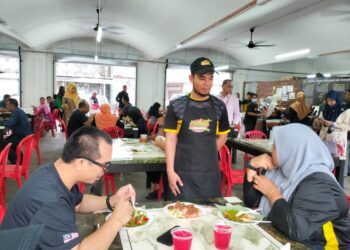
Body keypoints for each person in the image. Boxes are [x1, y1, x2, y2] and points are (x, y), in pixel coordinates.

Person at [1, 126, 135, 249]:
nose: (105, 171)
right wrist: (117, 219)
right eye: (105, 166)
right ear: (81, 163)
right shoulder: (50, 202)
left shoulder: (55, 172)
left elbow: (79, 203)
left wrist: (113, 200)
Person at [243, 123, 350, 249]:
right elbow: (251, 201)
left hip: (321, 245)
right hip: (284, 239)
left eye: (276, 146)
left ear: (292, 149)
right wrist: (252, 166)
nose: (271, 149)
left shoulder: (320, 184)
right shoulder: (284, 169)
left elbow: (295, 229)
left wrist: (272, 193)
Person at [164, 57, 230, 201]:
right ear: (191, 78)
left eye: (210, 78)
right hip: (181, 175)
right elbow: (170, 139)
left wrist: (205, 152)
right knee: (179, 218)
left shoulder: (219, 107)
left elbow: (223, 136)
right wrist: (170, 171)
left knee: (209, 220)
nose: (207, 84)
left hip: (209, 176)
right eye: (202, 78)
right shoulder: (176, 106)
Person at [0, 98, 32, 164]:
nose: (6, 107)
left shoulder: (16, 112)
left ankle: (15, 161)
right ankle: (20, 159)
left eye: (7, 105)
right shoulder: (19, 110)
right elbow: (11, 122)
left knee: (3, 143)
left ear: (12, 105)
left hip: (23, 136)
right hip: (26, 134)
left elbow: (10, 123)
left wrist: (2, 122)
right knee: (7, 140)